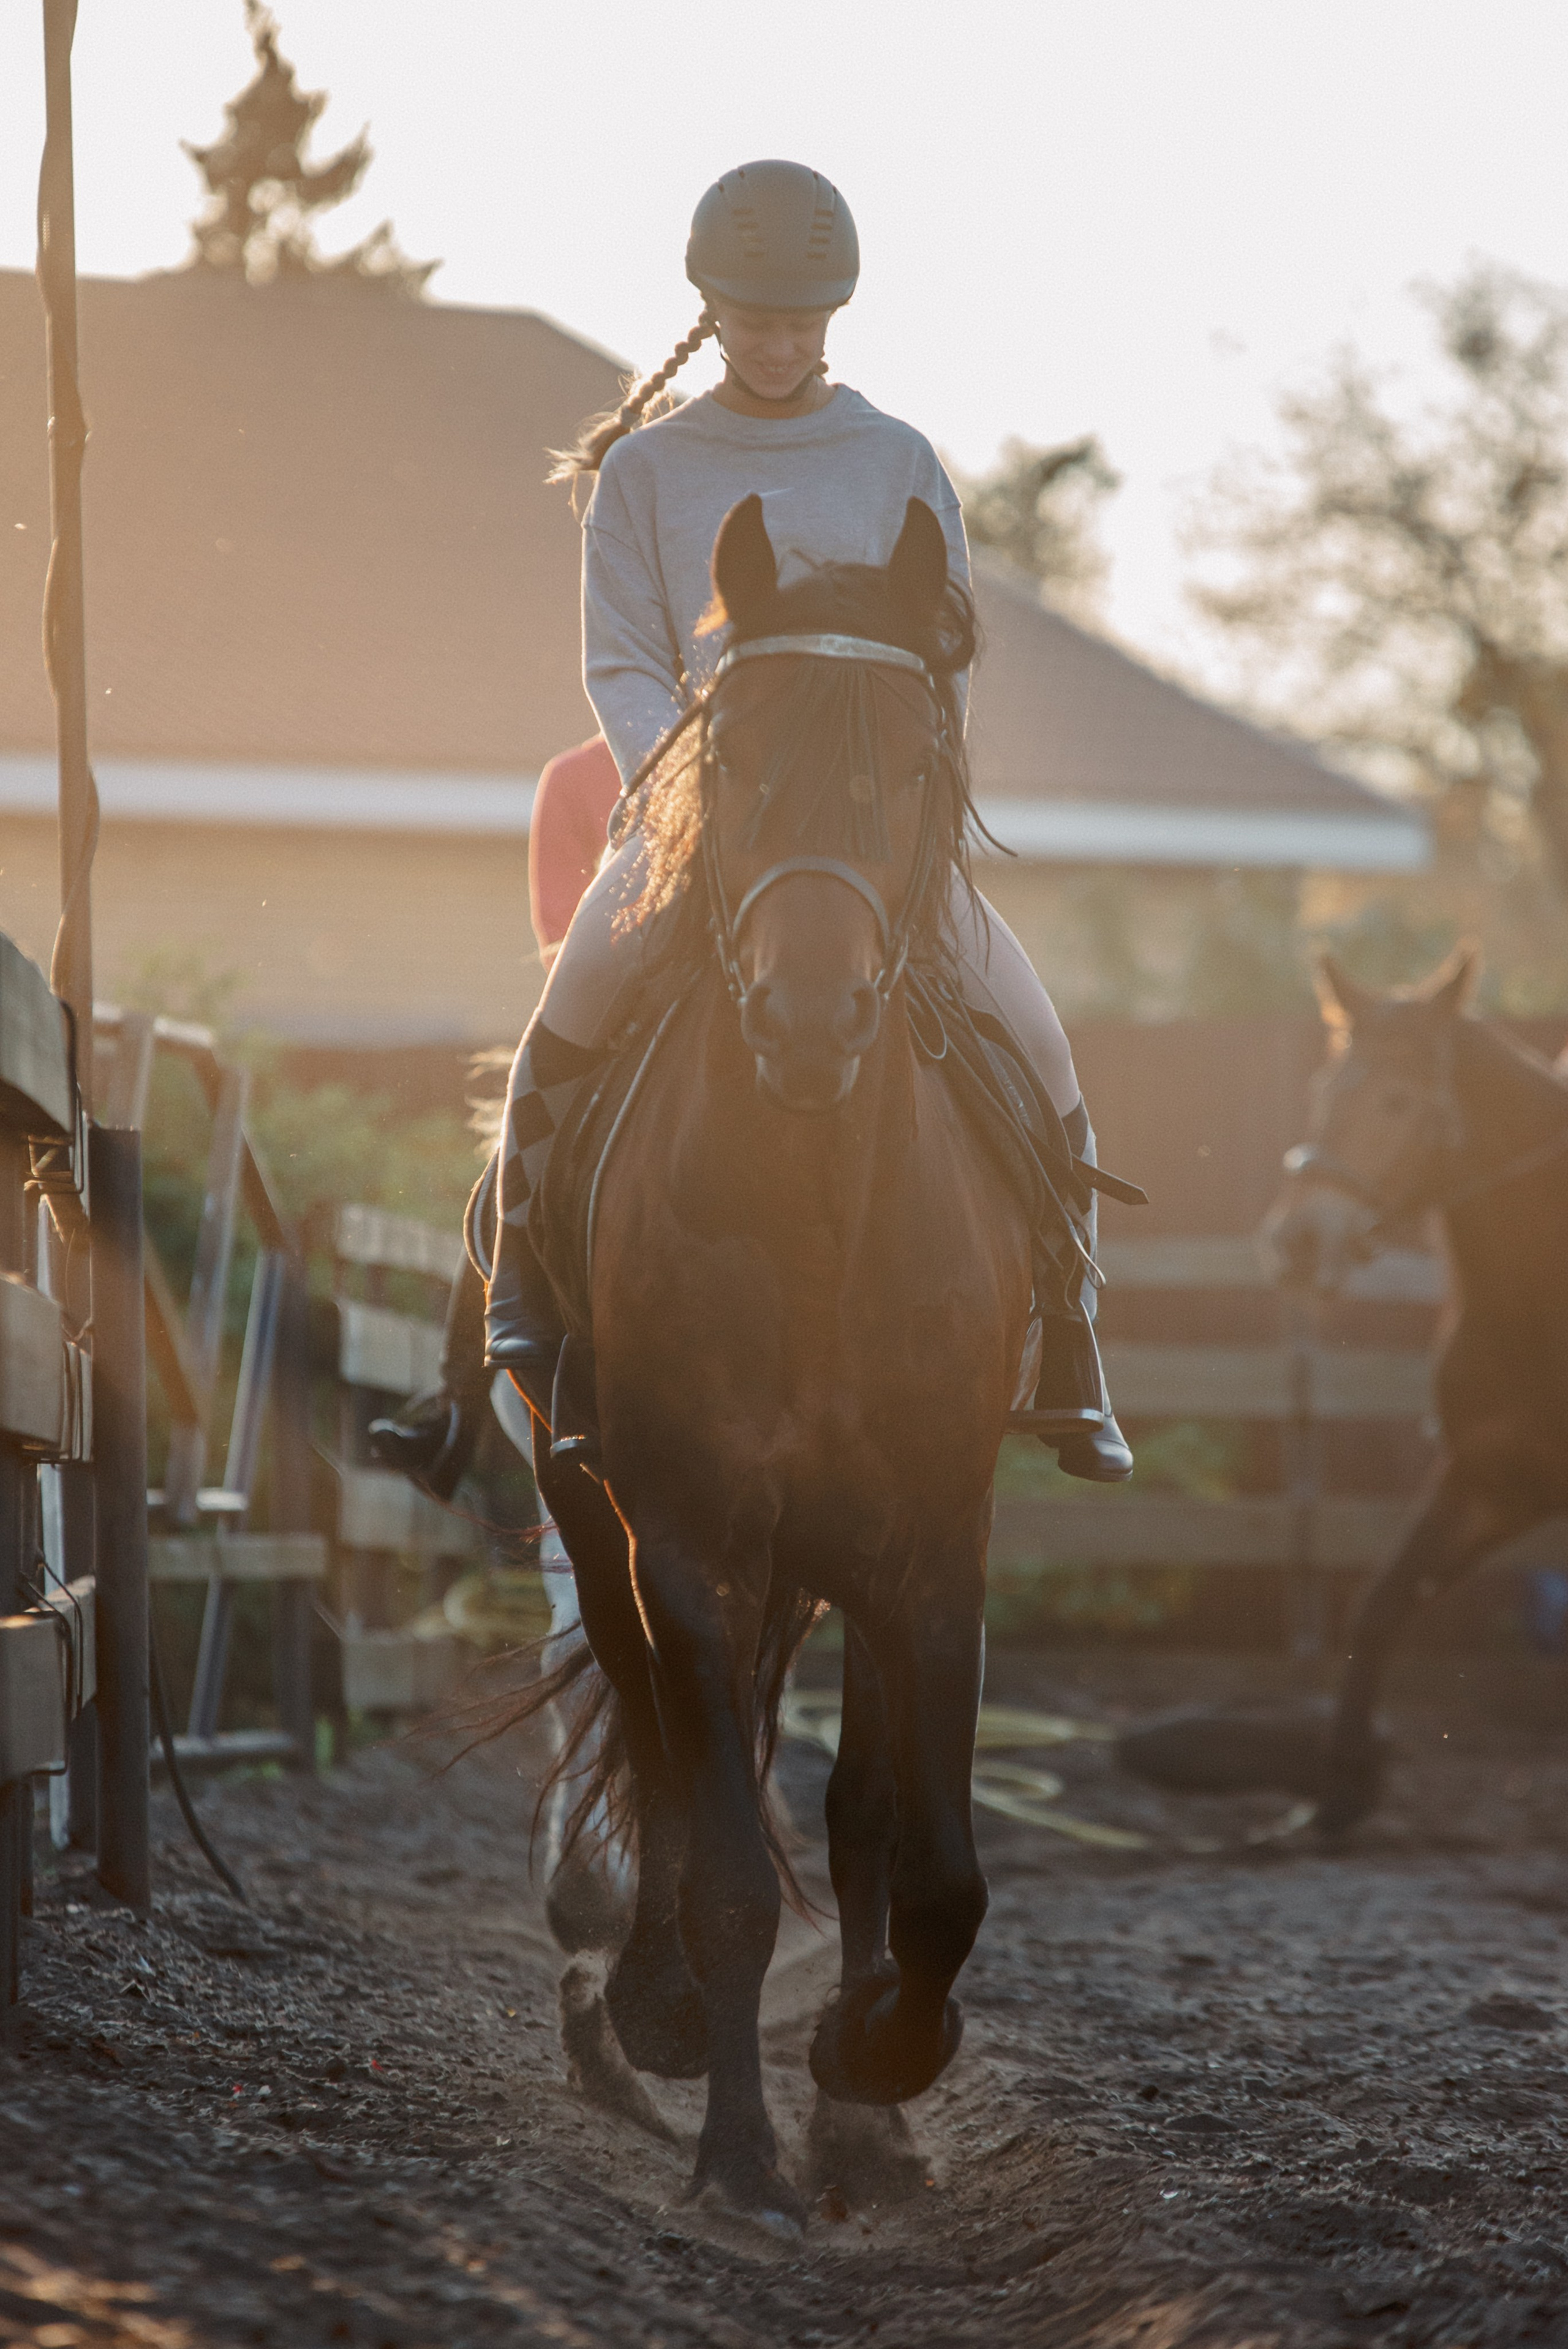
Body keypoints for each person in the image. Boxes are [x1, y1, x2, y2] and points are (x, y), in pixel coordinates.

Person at [485, 159, 1133, 1481]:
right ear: (708, 309)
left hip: (869, 838)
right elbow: (618, 658)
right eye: (755, 320)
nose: (779, 345)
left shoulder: (895, 460)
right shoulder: (648, 473)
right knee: (567, 1011)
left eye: (801, 323)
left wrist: (907, 808)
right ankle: (524, 1304)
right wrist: (672, 787)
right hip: (697, 818)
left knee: (1041, 1040)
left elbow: (942, 657)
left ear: (833, 316)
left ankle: (1070, 1339)